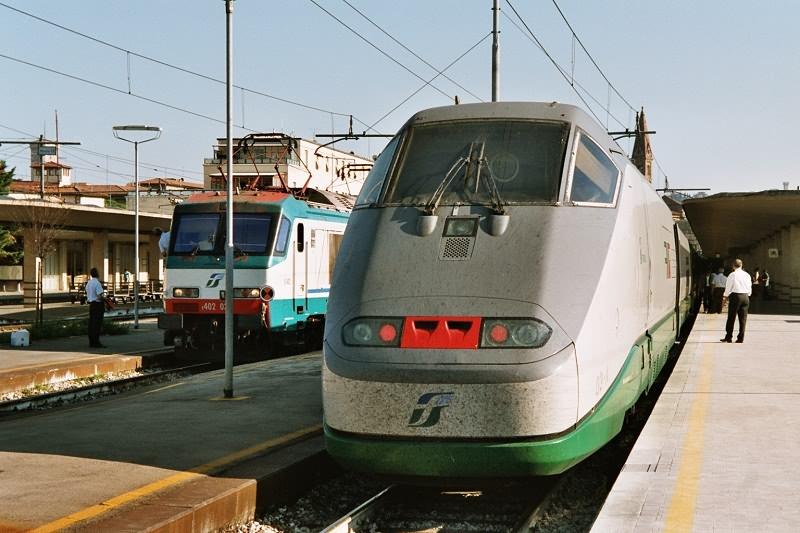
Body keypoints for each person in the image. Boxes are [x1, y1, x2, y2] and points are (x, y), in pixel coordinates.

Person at [721, 258, 752, 343]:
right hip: (745, 297)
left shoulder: (732, 275)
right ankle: (740, 338)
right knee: (743, 319)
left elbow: (728, 287)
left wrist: (725, 297)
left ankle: (729, 337)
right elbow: (749, 287)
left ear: (733, 266)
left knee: (731, 317)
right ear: (741, 265)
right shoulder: (747, 275)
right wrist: (747, 295)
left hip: (736, 296)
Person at [85, 267, 106, 348]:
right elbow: (100, 295)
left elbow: (87, 292)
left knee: (91, 324)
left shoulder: (89, 283)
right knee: (97, 324)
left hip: (91, 304)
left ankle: (91, 342)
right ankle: (96, 342)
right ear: (97, 273)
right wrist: (105, 300)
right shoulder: (97, 283)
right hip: (98, 305)